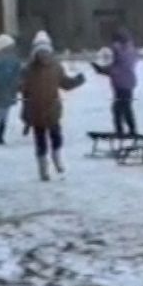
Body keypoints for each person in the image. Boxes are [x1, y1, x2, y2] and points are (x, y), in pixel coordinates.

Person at [21, 31, 85, 181]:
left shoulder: (56, 67)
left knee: (56, 137)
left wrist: (77, 81)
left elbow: (65, 83)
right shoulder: (28, 70)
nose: (43, 55)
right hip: (35, 111)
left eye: (46, 52)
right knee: (40, 141)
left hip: (52, 110)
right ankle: (43, 169)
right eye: (40, 52)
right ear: (35, 53)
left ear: (50, 52)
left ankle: (57, 158)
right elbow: (22, 89)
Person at [92, 29, 138, 136]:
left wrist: (101, 70)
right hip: (126, 83)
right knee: (125, 107)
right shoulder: (129, 50)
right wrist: (103, 69)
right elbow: (117, 67)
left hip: (122, 83)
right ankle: (130, 129)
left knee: (119, 108)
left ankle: (122, 130)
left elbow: (117, 68)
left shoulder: (121, 51)